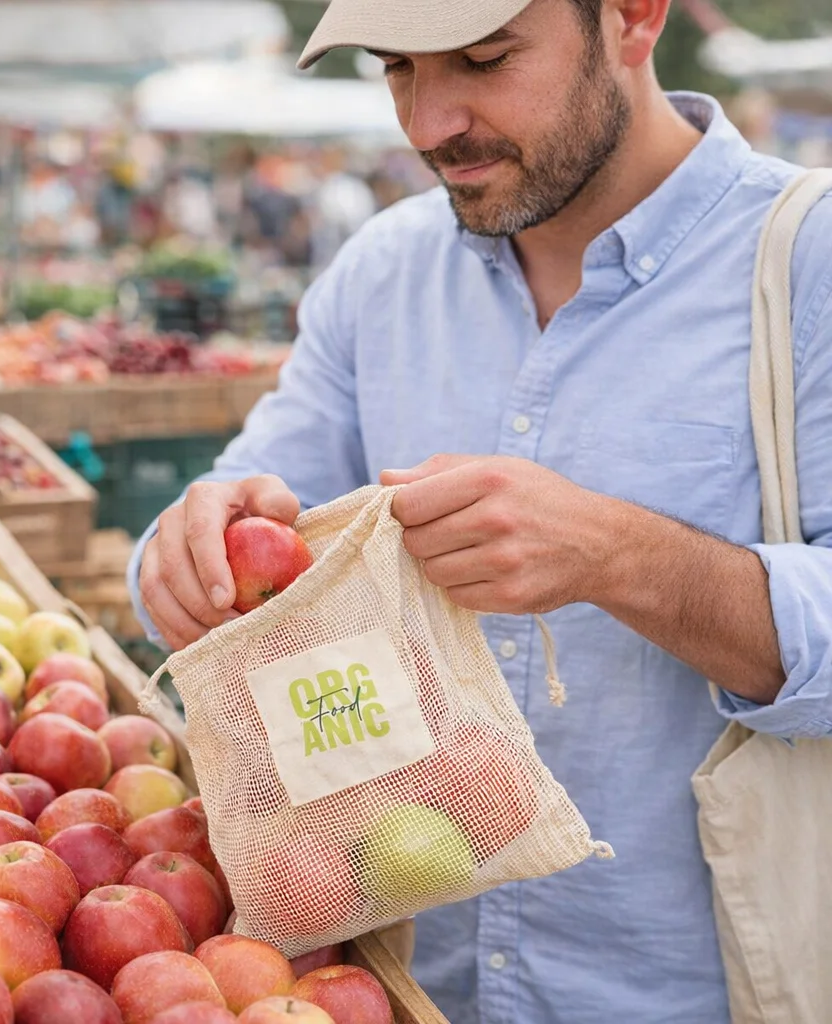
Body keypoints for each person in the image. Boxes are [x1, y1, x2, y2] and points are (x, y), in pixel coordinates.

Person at [126, 0, 832, 1020]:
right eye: (397, 70)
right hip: (404, 985)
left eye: (482, 58)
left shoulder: (804, 264)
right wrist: (188, 552)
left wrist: (623, 557)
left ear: (631, 18)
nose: (426, 123)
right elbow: (213, 534)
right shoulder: (382, 274)